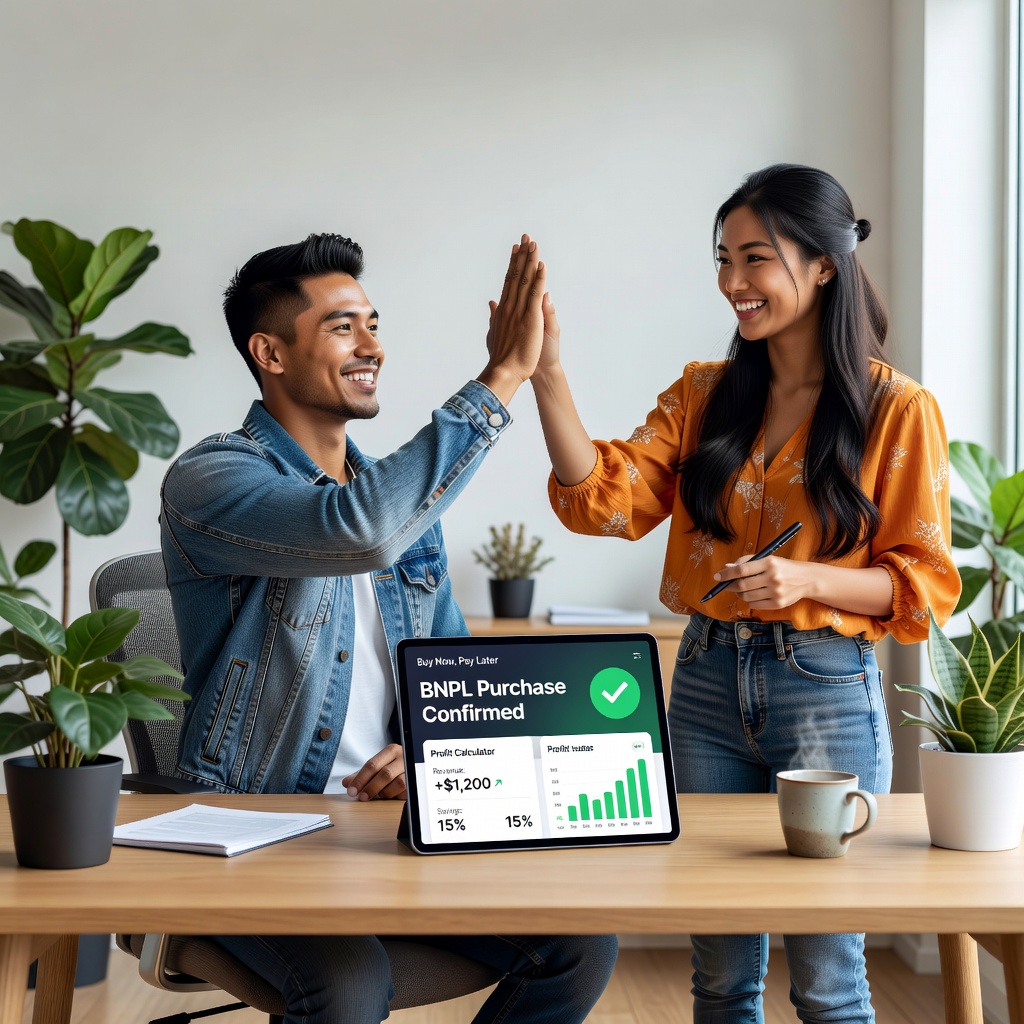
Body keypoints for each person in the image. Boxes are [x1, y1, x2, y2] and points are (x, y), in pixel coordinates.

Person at [529, 164, 960, 1023]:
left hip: (826, 689)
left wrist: (807, 579)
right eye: (723, 259)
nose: (733, 282)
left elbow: (923, 586)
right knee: (721, 971)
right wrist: (546, 376)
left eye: (755, 258)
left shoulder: (896, 409)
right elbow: (605, 501)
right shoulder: (703, 394)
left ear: (825, 264)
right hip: (702, 685)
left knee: (828, 978)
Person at [159, 232, 617, 1024]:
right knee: (348, 984)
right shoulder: (210, 478)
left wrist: (432, 756)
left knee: (580, 937)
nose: (372, 344)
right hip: (261, 831)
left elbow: (456, 685)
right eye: (343, 326)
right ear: (269, 352)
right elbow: (352, 531)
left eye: (373, 322)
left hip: (388, 830)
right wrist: (503, 373)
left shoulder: (403, 506)